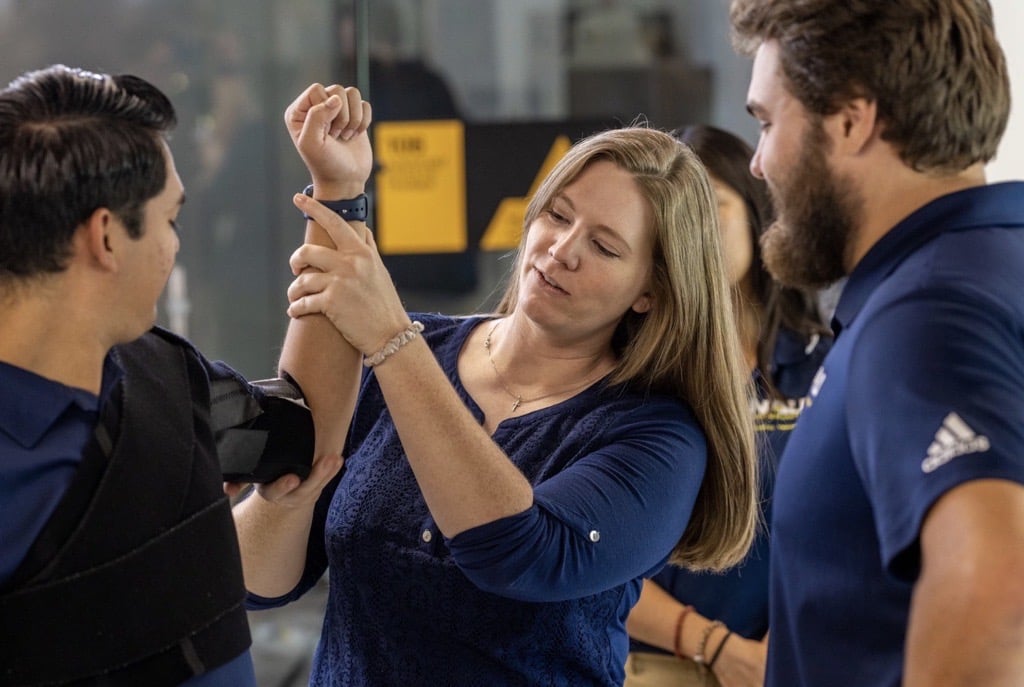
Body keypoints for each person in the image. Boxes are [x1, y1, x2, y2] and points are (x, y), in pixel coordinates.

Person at [234, 83, 760, 685]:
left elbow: (518, 552)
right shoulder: (416, 354)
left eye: (604, 247)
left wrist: (390, 339)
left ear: (651, 291)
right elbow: (259, 581)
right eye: (558, 215)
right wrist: (340, 191)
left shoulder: (657, 437)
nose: (561, 250)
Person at [729, 1, 1024, 685]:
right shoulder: (991, 266)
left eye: (769, 123)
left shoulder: (923, 311)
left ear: (851, 121)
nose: (758, 163)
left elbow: (1000, 592)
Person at [0, 65, 314, 687]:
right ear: (107, 237)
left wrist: (338, 194)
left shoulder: (170, 381)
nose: (176, 248)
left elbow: (306, 435)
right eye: (170, 221)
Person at [624, 124, 831, 687]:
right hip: (656, 666)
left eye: (711, 205)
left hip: (804, 659)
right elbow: (590, 546)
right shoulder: (631, 372)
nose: (694, 231)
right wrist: (714, 647)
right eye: (676, 214)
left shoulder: (828, 364)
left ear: (759, 215)